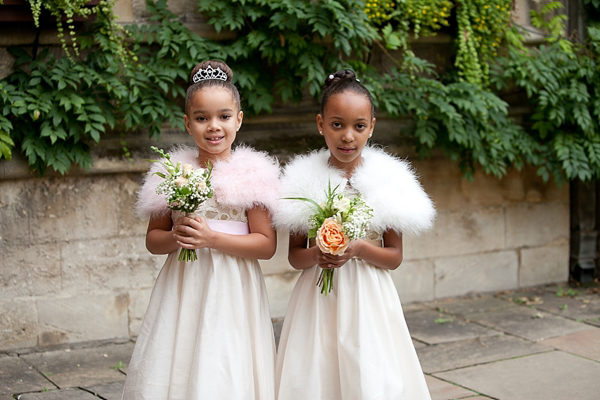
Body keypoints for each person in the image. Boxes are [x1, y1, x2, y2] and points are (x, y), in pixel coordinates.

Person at [274, 70, 435, 400]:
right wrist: (317, 255)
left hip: (369, 297)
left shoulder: (386, 181)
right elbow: (294, 255)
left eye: (358, 126)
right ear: (321, 124)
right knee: (318, 371)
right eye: (337, 125)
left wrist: (359, 248)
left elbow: (394, 257)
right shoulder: (303, 180)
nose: (348, 136)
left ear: (371, 126)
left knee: (370, 369)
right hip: (318, 296)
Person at [122, 60, 279, 400]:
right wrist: (175, 237)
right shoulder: (171, 172)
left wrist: (213, 239)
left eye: (224, 116)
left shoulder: (253, 173)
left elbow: (267, 245)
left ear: (239, 118)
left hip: (234, 286)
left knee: (225, 357)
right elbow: (153, 240)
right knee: (180, 351)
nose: (214, 127)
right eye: (202, 118)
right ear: (187, 123)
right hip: (184, 283)